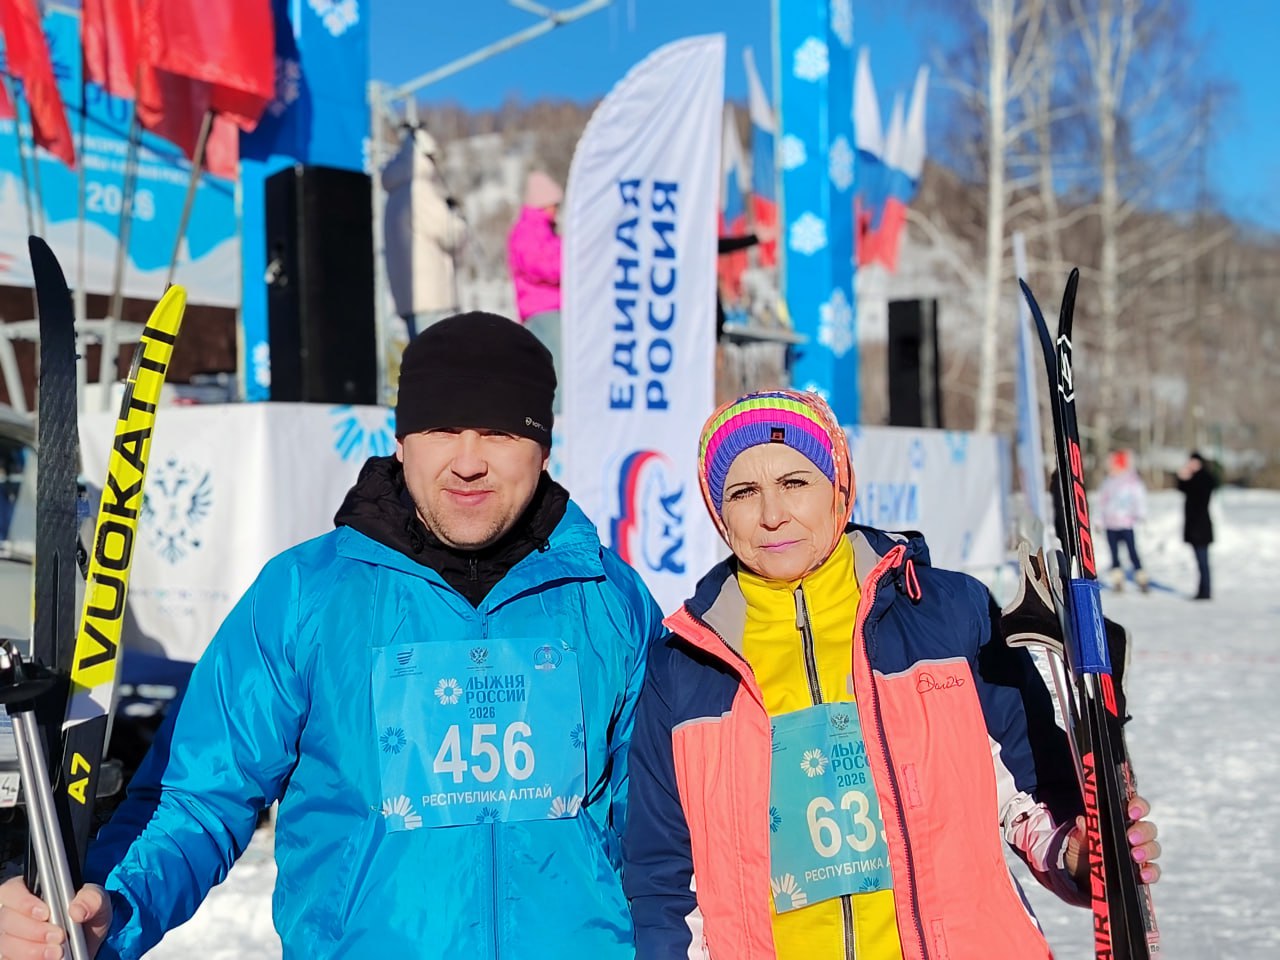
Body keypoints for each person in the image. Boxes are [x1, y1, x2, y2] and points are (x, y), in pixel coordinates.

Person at [0, 313, 665, 959]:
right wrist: (107, 906)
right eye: (440, 429)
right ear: (402, 440)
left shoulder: (611, 602)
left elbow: (658, 832)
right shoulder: (304, 595)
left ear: (543, 446)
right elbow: (197, 798)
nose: (467, 462)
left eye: (497, 433)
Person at [622, 390, 1161, 959]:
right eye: (744, 491)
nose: (772, 513)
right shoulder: (683, 665)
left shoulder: (949, 614)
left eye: (796, 482)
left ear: (839, 487)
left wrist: (1079, 856)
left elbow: (1033, 800)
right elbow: (661, 881)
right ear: (718, 510)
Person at [381, 125, 468, 339]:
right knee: (440, 364)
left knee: (424, 362)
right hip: (432, 296)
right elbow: (450, 233)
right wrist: (456, 217)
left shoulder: (394, 195)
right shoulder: (419, 190)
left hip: (409, 297)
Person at [507, 170, 564, 410]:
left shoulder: (542, 230)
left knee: (557, 368)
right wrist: (573, 263)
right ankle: (557, 416)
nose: (557, 210)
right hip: (543, 312)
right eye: (554, 204)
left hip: (550, 311)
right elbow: (542, 264)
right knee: (556, 370)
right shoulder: (530, 231)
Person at [1098, 448, 1149, 592]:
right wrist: (1098, 520)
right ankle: (1117, 580)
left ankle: (1141, 577)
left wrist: (1140, 514)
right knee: (1114, 554)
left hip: (1126, 523)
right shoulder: (1108, 481)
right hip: (1110, 524)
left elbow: (1139, 499)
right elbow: (1102, 502)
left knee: (1132, 552)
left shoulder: (1132, 481)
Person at [1176, 450, 1218, 600]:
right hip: (1194, 528)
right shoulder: (1194, 478)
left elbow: (1198, 491)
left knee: (1203, 562)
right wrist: (1183, 478)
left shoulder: (1204, 478)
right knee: (1199, 563)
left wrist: (1187, 478)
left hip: (1201, 528)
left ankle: (1205, 591)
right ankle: (1202, 590)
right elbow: (1183, 488)